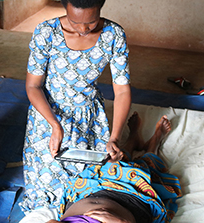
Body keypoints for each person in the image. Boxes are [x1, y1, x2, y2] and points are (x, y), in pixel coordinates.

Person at [20, 0, 131, 213]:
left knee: (91, 186)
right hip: (48, 115)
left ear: (101, 8)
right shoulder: (46, 32)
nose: (82, 30)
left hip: (88, 117)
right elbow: (33, 86)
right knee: (45, 194)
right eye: (74, 22)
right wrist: (55, 125)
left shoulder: (113, 35)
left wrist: (114, 137)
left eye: (90, 23)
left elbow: (123, 90)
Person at [20, 112, 182, 223]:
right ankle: (153, 143)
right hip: (131, 201)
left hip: (90, 191)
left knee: (112, 164)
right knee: (144, 170)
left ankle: (133, 139)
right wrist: (120, 221)